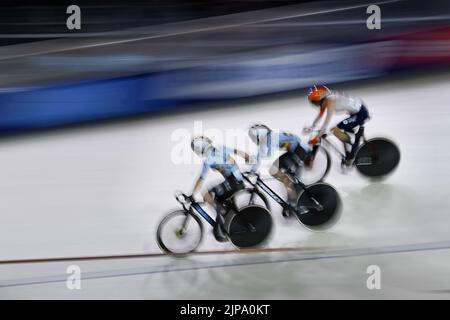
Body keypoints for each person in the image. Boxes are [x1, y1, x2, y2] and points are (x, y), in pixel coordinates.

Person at [190, 135, 250, 242]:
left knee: (207, 195)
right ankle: (227, 220)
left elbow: (201, 178)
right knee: (218, 199)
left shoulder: (208, 160)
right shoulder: (220, 148)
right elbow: (236, 151)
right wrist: (247, 156)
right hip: (237, 180)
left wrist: (193, 194)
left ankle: (223, 220)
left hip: (232, 182)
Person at [248, 124, 312, 217]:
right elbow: (259, 156)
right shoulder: (268, 137)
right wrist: (252, 171)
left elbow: (267, 154)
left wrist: (254, 167)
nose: (253, 141)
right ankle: (293, 194)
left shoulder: (272, 137)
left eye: (253, 139)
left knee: (277, 171)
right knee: (277, 172)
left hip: (299, 150)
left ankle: (295, 202)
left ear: (259, 136)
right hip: (295, 150)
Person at [306, 84, 370, 166]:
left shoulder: (331, 102)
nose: (317, 105)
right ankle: (349, 152)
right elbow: (320, 116)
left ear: (322, 99)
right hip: (356, 112)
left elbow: (326, 123)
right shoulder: (326, 100)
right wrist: (312, 127)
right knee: (339, 130)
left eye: (316, 102)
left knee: (335, 130)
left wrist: (318, 136)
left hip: (361, 113)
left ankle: (354, 147)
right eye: (314, 103)